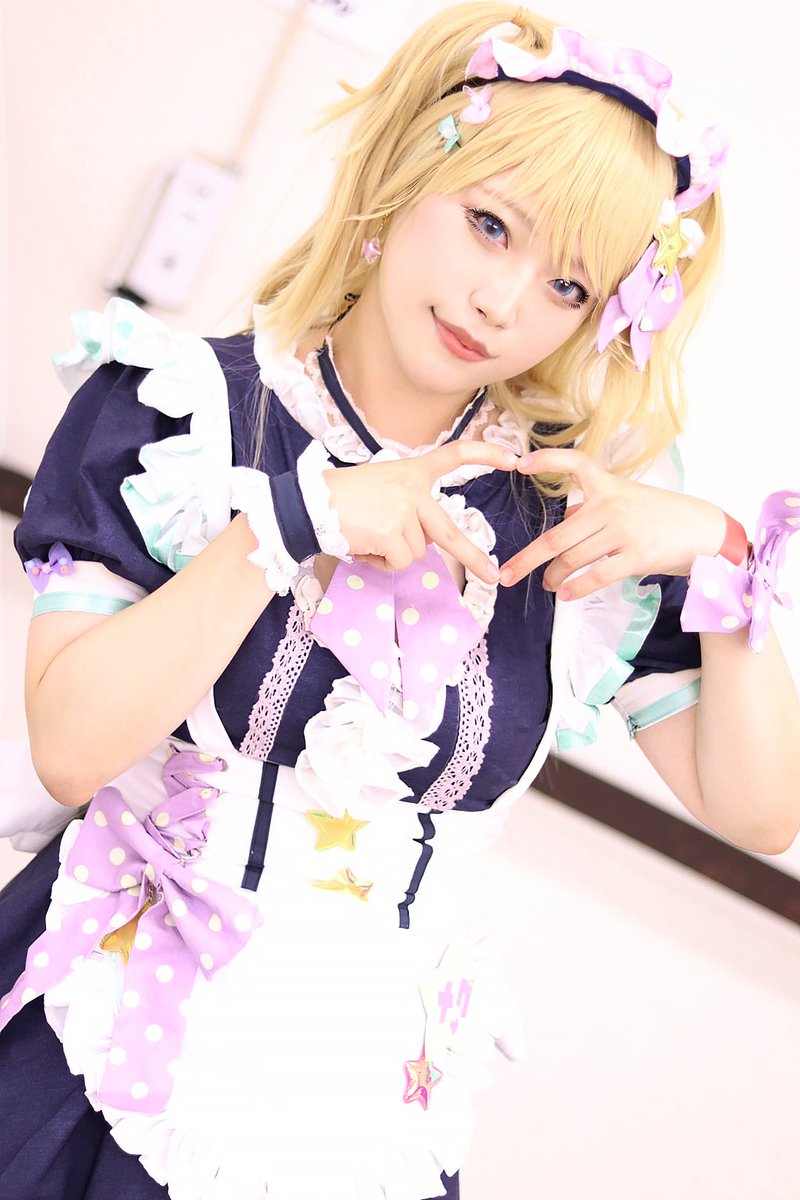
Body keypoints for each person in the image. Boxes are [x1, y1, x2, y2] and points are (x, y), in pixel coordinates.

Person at [1, 3, 799, 1198]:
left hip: (364, 1115)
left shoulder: (561, 514)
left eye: (566, 285)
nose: (501, 303)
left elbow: (759, 809)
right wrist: (293, 524)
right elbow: (70, 748)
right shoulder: (183, 416)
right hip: (106, 1050)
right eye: (488, 226)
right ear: (401, 177)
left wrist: (724, 557)